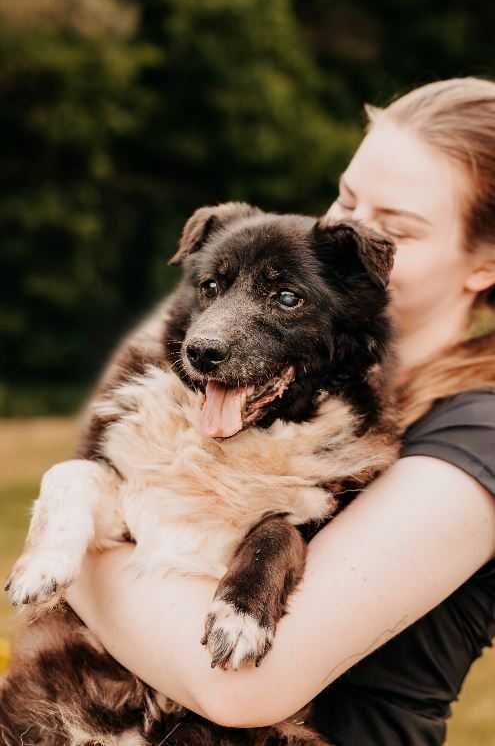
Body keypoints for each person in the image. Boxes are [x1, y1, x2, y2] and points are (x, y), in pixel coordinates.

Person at [67, 77, 495, 744]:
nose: (349, 232)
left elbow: (236, 685)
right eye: (348, 198)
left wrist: (72, 549)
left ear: (484, 264)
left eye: (398, 227)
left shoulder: (476, 436)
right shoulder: (296, 377)